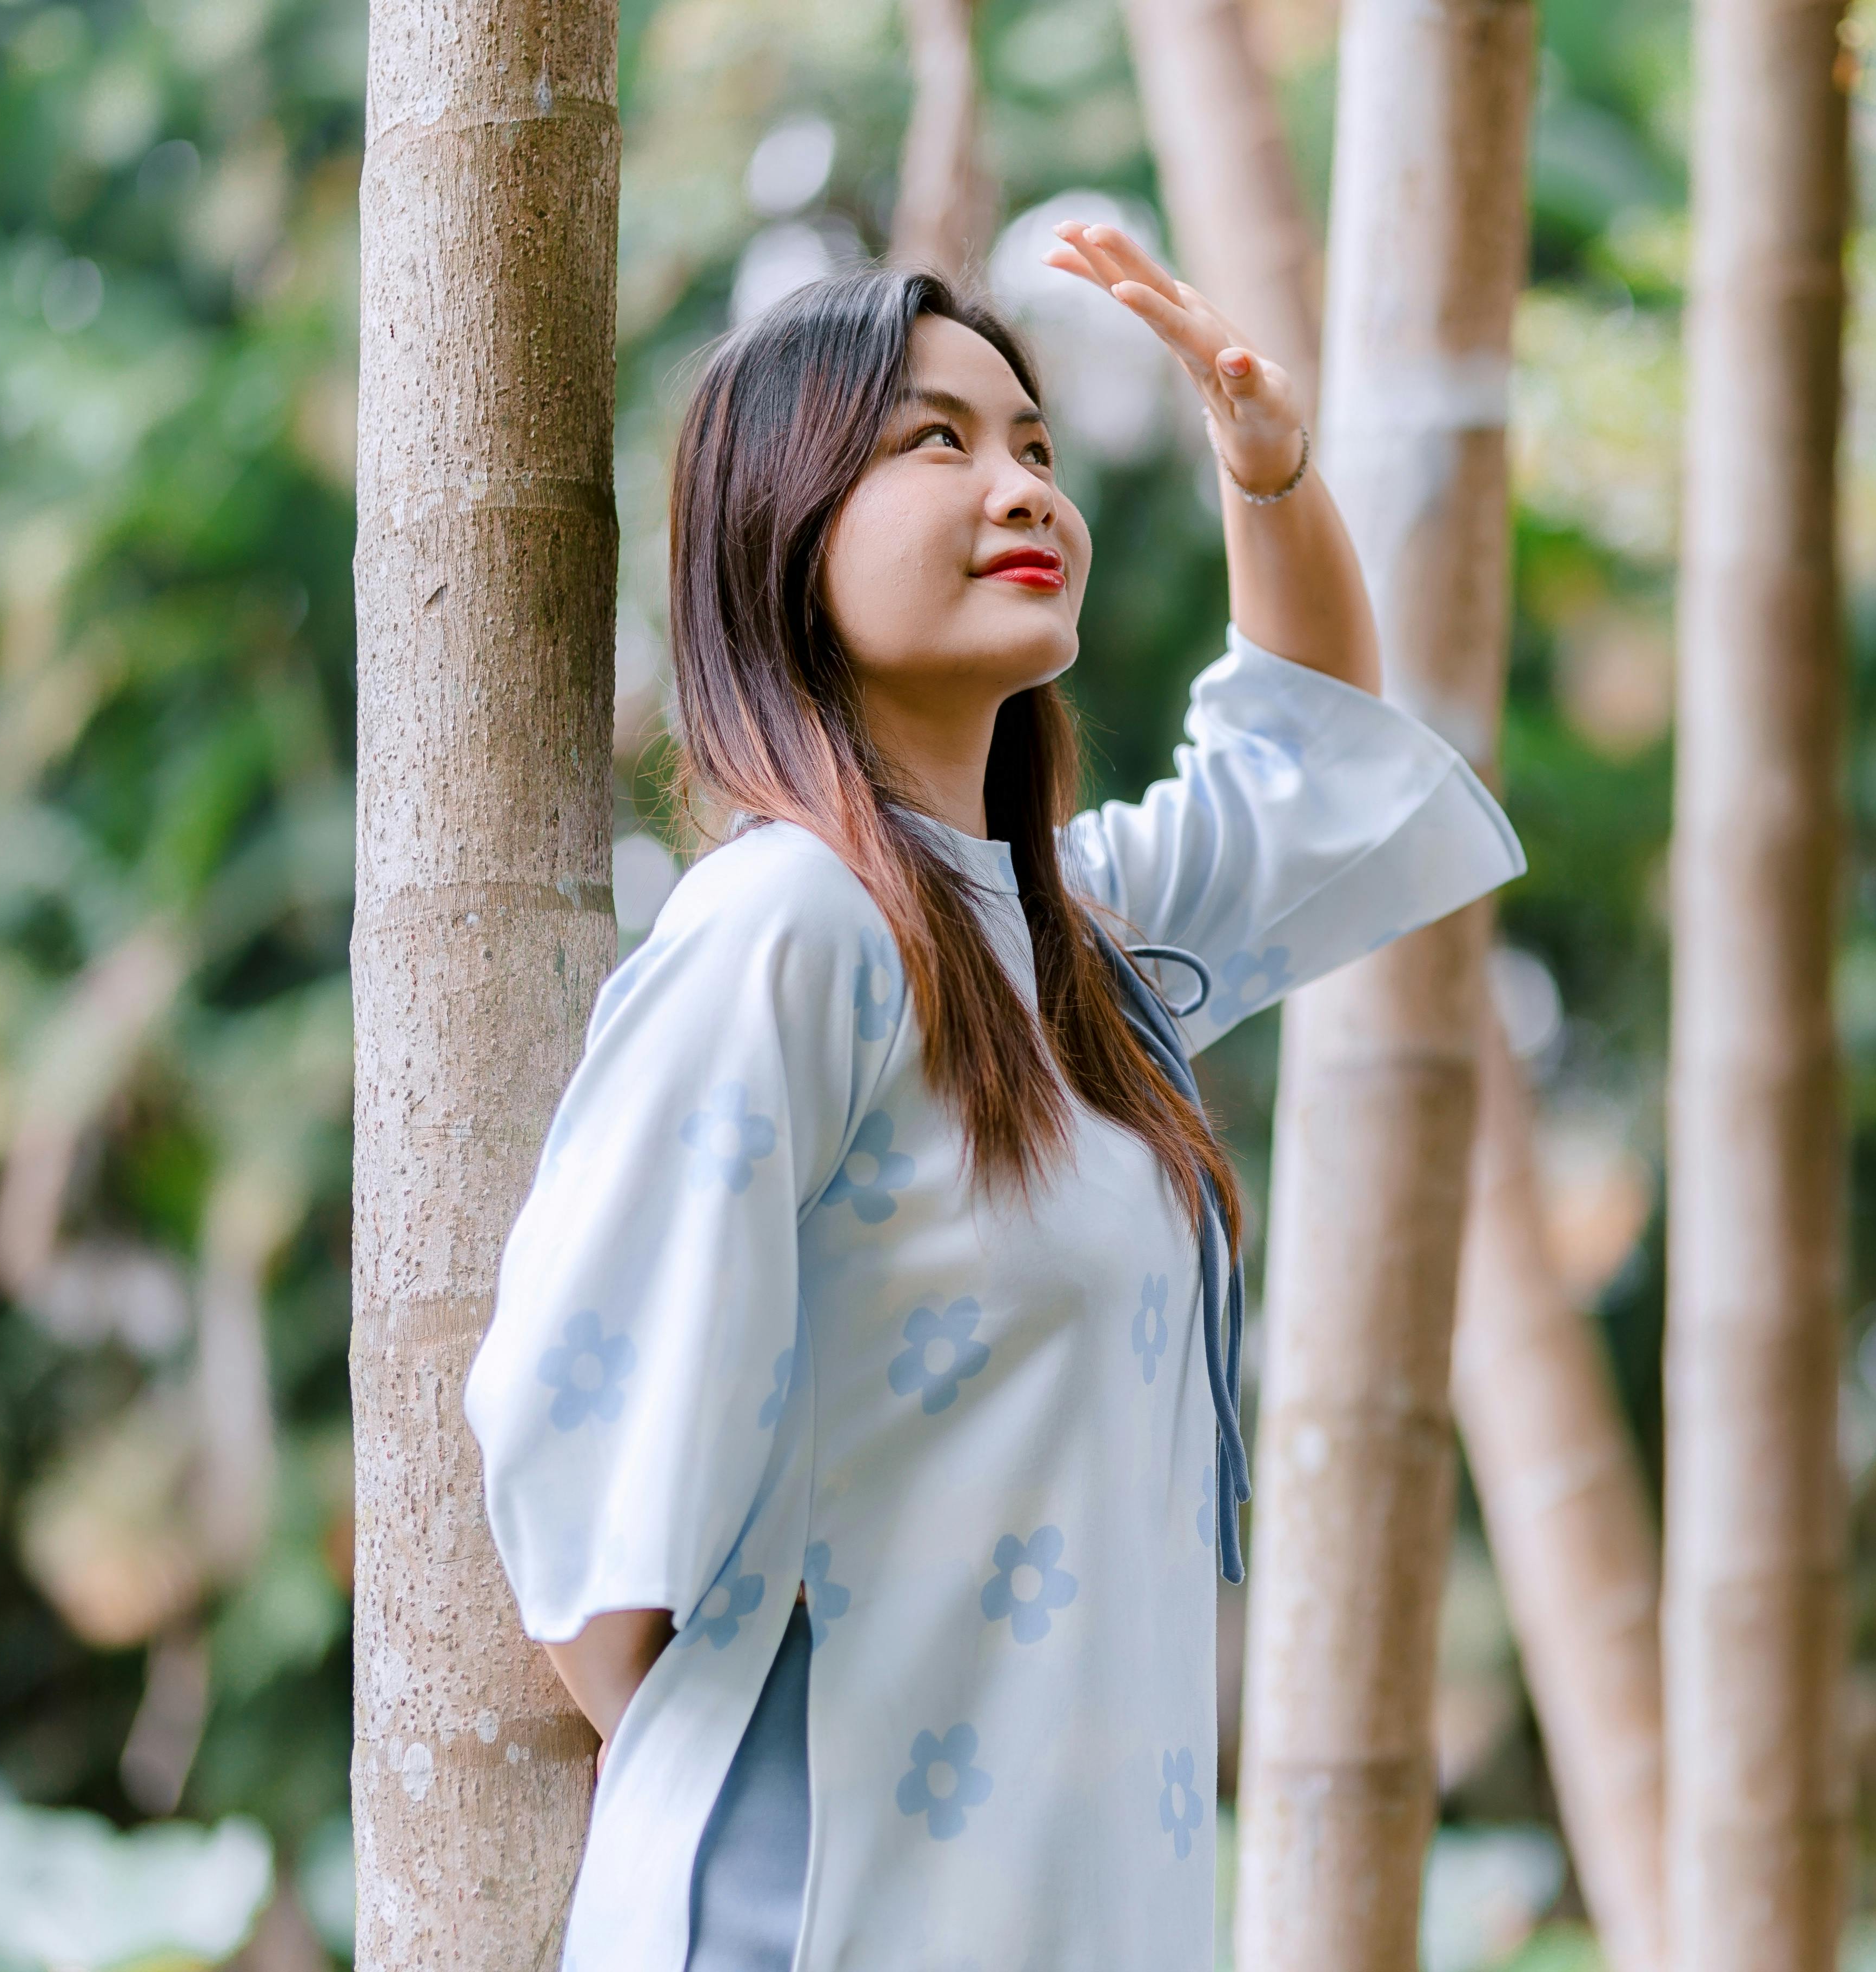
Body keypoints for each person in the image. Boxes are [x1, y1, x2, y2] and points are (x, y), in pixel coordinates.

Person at [462, 223, 1525, 1972]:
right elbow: (575, 1431)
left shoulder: (1066, 944)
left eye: (1035, 443)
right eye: (933, 440)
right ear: (785, 537)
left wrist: (1268, 468)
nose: (1021, 484)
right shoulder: (788, 925)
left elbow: (1310, 769)